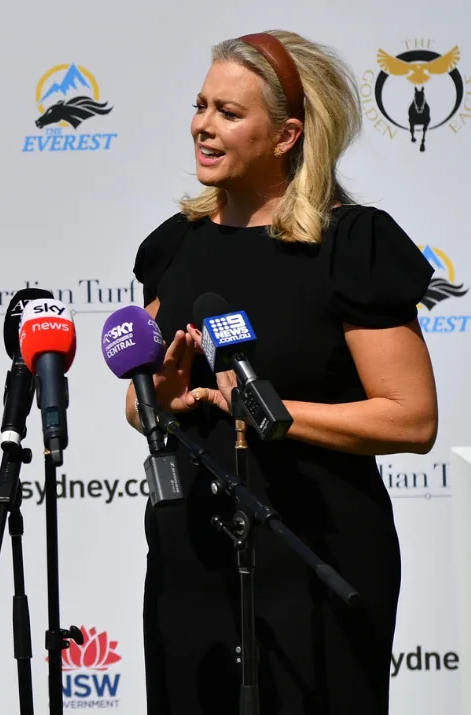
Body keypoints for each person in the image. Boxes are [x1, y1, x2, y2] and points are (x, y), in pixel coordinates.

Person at [126, 29, 438, 715]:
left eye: (228, 112)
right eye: (201, 105)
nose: (203, 125)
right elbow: (139, 400)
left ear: (286, 135)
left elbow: (412, 418)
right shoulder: (174, 246)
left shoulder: (350, 244)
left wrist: (273, 412)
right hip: (192, 561)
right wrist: (163, 397)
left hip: (316, 556)